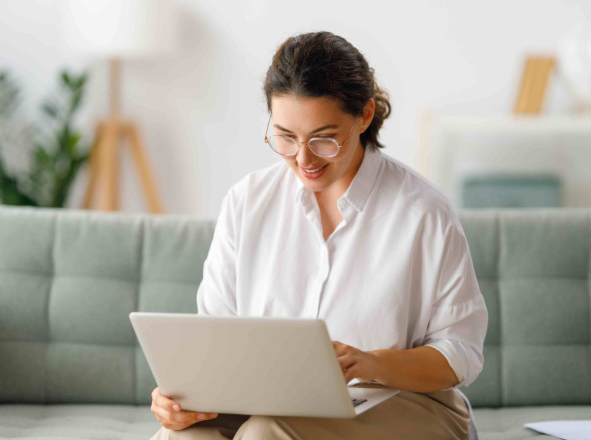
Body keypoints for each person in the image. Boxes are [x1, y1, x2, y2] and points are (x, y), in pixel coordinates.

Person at [149, 31, 488, 440]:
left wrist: (371, 363)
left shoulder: (423, 213)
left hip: (403, 403)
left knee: (266, 432)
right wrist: (180, 397)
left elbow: (462, 354)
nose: (303, 158)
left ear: (364, 116)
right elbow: (214, 336)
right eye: (286, 137)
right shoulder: (247, 202)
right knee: (184, 436)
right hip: (269, 402)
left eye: (324, 138)